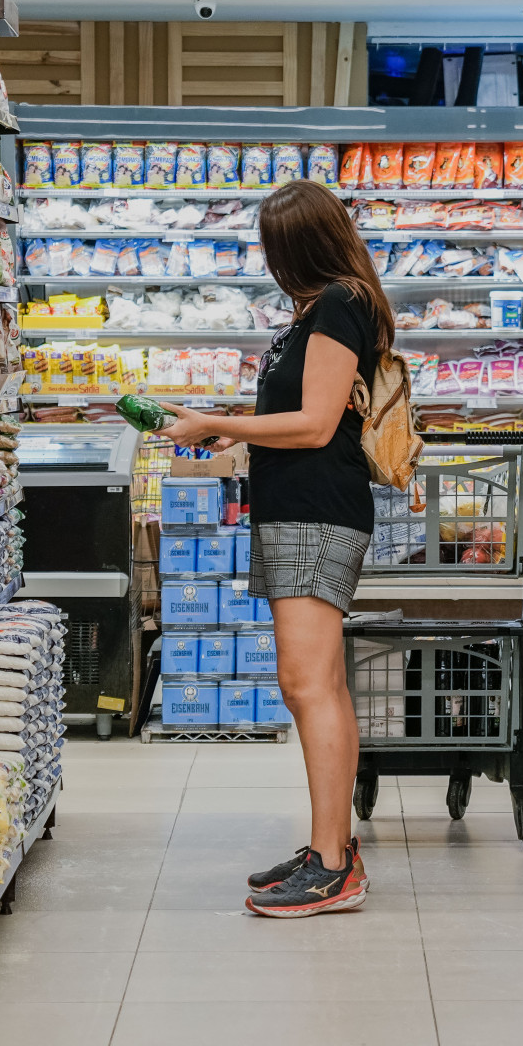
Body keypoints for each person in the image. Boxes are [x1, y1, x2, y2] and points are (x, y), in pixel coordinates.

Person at [156, 179, 390, 919]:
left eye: (273, 247)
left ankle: (331, 867)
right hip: (300, 510)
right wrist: (232, 431)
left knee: (305, 683)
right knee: (322, 683)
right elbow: (301, 416)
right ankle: (332, 847)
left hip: (315, 513)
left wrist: (215, 420)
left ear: (298, 247)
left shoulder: (339, 304)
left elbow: (317, 424)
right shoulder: (324, 307)